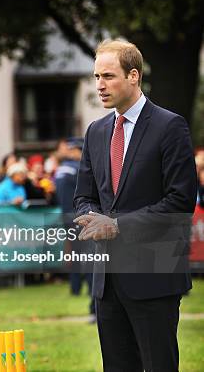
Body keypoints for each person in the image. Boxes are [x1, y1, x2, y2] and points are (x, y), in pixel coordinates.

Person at [73, 39, 197, 371]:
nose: (100, 85)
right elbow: (84, 196)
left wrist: (117, 225)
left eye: (108, 76)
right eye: (96, 76)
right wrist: (90, 217)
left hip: (154, 276)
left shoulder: (169, 126)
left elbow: (179, 202)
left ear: (133, 76)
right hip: (107, 281)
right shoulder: (96, 132)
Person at [55, 138, 95, 319]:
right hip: (81, 216)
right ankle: (90, 289)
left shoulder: (61, 169)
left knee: (75, 255)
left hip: (67, 217)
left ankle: (75, 287)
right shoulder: (78, 169)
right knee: (88, 256)